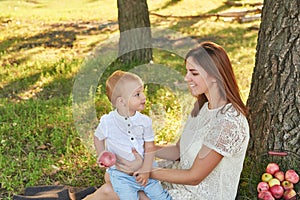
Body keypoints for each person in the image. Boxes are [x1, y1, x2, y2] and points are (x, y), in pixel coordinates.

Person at [84, 41, 250, 200]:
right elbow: (179, 150)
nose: (186, 78)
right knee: (112, 176)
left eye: (194, 73)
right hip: (180, 182)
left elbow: (194, 177)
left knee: (110, 191)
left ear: (215, 75)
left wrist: (143, 169)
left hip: (199, 195)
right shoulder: (202, 108)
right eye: (187, 71)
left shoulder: (229, 122)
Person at [90, 70, 172, 200]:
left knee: (160, 196)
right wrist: (101, 153)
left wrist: (146, 170)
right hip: (121, 175)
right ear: (121, 102)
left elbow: (150, 148)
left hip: (146, 169)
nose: (144, 97)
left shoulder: (144, 121)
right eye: (137, 94)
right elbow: (98, 138)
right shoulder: (108, 121)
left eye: (143, 92)